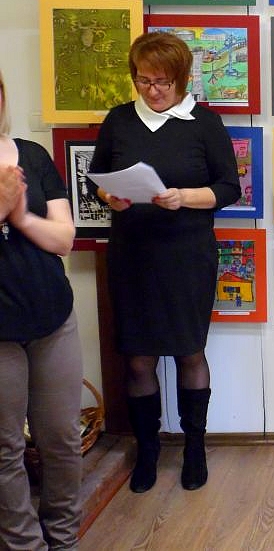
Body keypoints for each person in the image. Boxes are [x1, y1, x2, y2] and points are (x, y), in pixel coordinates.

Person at [89, 32, 240, 494]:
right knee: (138, 360)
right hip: (132, 255)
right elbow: (98, 177)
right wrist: (109, 196)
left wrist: (184, 197)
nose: (152, 90)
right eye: (144, 81)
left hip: (186, 254)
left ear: (182, 78)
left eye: (163, 82)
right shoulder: (119, 120)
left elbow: (228, 188)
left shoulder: (204, 123)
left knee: (189, 352)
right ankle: (148, 450)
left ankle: (195, 447)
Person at [0, 69, 83, 550]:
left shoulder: (31, 154)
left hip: (53, 318)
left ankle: (63, 539)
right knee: (6, 448)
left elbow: (64, 238)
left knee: (61, 439)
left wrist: (20, 216)